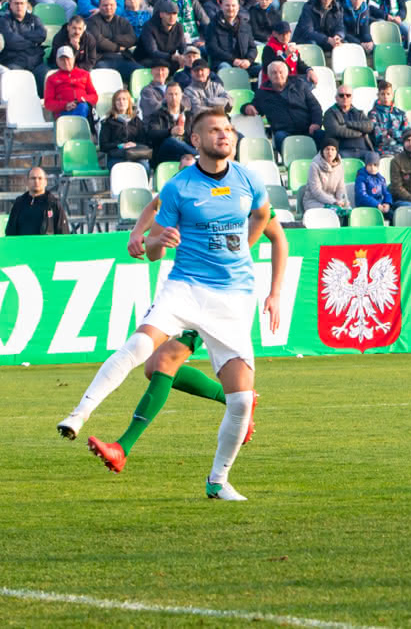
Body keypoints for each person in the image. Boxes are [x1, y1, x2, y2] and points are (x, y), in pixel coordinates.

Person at [60, 107, 287, 501]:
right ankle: (80, 414)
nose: (225, 135)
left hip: (232, 299)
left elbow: (266, 220)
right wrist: (151, 241)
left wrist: (266, 284)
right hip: (184, 288)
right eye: (215, 130)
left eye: (228, 130)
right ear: (195, 140)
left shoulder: (249, 181)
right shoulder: (181, 187)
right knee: (143, 350)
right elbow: (151, 249)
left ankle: (218, 481)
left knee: (240, 399)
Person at [0, 0, 48, 91]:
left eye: (22, 3)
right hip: (14, 61)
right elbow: (11, 41)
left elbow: (42, 35)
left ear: (26, 5)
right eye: (16, 3)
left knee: (47, 76)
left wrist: (21, 34)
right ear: (10, 5)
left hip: (35, 62)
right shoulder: (3, 21)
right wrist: (33, 42)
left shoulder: (35, 19)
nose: (19, 6)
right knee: (16, 78)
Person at [7, 165, 70, 235]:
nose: (36, 181)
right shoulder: (19, 203)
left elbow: (63, 233)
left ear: (45, 182)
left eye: (40, 178)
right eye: (33, 178)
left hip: (46, 245)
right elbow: (10, 231)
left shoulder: (53, 204)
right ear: (27, 182)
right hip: (23, 245)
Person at [44, 46, 97, 120]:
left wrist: (82, 99)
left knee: (82, 107)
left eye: (68, 59)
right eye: (62, 59)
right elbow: (48, 103)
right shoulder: (52, 78)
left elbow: (94, 96)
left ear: (73, 58)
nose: (66, 62)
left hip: (82, 107)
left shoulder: (85, 74)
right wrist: (65, 105)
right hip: (63, 112)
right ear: (57, 61)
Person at [322, 84, 375, 158]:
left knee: (374, 157)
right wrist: (361, 132)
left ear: (352, 97)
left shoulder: (359, 112)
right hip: (342, 151)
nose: (345, 97)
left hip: (364, 150)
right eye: (341, 95)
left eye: (348, 95)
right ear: (336, 98)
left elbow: (370, 126)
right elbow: (337, 131)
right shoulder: (329, 113)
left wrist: (348, 124)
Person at [303, 141, 349, 220]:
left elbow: (340, 187)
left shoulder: (339, 165)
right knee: (335, 211)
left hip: (334, 201)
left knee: (347, 211)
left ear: (336, 152)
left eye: (333, 149)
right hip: (314, 201)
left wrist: (341, 200)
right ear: (322, 151)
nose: (330, 152)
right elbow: (316, 191)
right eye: (327, 149)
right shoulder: (314, 165)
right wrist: (334, 202)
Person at [355, 151, 394, 221]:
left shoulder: (381, 178)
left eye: (375, 165)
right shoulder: (361, 178)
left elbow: (386, 193)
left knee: (393, 216)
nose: (372, 168)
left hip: (380, 206)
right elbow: (362, 195)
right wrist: (377, 205)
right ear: (366, 165)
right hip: (366, 207)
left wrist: (387, 203)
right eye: (370, 165)